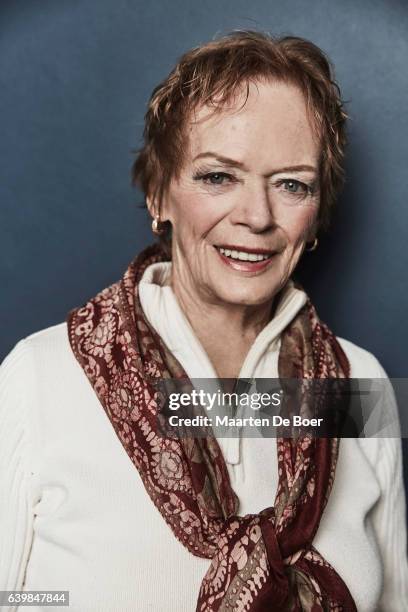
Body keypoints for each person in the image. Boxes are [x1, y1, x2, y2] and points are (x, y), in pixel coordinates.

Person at [0, 30, 407, 612]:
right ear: (159, 196)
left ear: (316, 218)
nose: (257, 216)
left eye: (292, 184)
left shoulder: (359, 387)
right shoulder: (37, 378)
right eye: (218, 176)